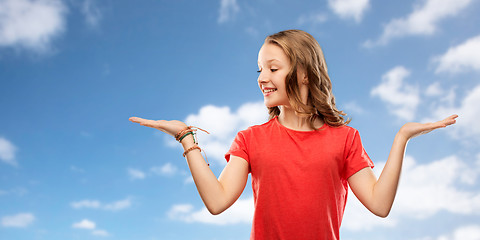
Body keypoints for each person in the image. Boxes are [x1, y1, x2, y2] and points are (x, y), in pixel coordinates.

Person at [129, 29, 457, 240]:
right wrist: (187, 137)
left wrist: (401, 138)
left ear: (302, 73)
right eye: (260, 69)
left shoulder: (344, 139)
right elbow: (217, 202)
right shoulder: (250, 139)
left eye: (273, 68)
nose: (262, 78)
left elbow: (380, 204)